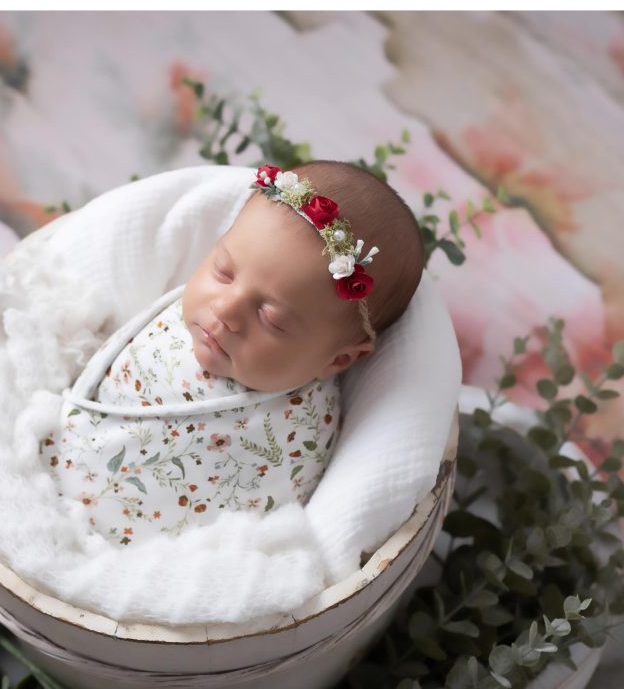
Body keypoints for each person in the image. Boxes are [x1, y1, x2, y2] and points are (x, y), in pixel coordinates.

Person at [44, 161, 424, 546]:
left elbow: (249, 538)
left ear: (337, 360)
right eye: (223, 271)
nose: (225, 309)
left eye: (271, 318)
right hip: (53, 470)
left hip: (145, 550)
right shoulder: (195, 312)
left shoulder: (298, 433)